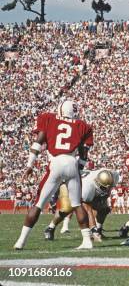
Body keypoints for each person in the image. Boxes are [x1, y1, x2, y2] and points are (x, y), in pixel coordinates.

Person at [14, 100, 95, 250]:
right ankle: (87, 241)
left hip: (56, 162)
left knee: (39, 204)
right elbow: (84, 154)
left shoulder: (49, 118)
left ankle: (21, 241)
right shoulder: (83, 126)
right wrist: (80, 169)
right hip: (71, 162)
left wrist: (30, 165)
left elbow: (38, 143)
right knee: (77, 204)